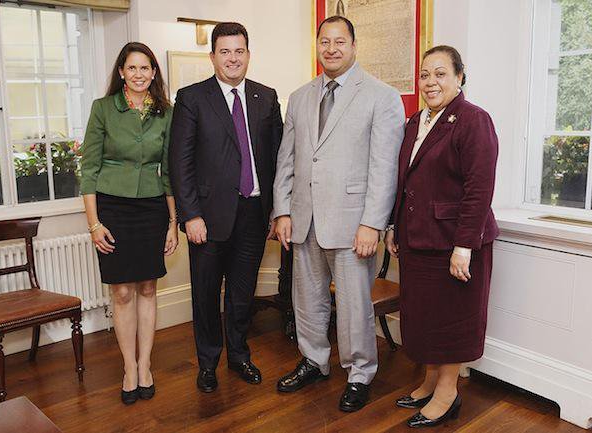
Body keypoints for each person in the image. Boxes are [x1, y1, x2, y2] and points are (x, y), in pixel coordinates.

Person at [273, 16, 405, 412]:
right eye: (324, 41)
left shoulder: (381, 96)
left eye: (339, 42)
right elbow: (288, 159)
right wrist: (281, 210)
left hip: (353, 224)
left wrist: (372, 223)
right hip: (304, 219)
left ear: (354, 46)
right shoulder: (299, 96)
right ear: (317, 45)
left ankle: (360, 372)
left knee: (353, 307)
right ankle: (314, 360)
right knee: (307, 300)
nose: (331, 49)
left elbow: (385, 167)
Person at [384, 45, 499, 428]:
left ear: (459, 77)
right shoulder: (415, 122)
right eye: (424, 74)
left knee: (451, 320)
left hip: (455, 243)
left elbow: (479, 190)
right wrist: (394, 227)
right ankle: (431, 380)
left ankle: (448, 392)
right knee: (424, 317)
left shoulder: (473, 120)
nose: (430, 82)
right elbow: (405, 183)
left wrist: (464, 246)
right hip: (417, 240)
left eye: (440, 74)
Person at [169, 22, 283, 393]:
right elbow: (180, 162)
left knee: (241, 294)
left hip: (254, 214)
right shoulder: (192, 98)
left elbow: (279, 159)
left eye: (239, 51)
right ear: (213, 56)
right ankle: (207, 363)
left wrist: (277, 210)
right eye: (225, 51)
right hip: (208, 217)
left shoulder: (266, 97)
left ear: (248, 54)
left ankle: (239, 355)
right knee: (205, 295)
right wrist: (190, 215)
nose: (233, 58)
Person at [80, 42, 178, 405]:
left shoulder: (166, 113)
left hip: (152, 208)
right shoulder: (103, 109)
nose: (139, 74)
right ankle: (129, 368)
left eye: (146, 68)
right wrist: (94, 224)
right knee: (121, 292)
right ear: (121, 72)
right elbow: (88, 170)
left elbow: (169, 171)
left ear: (154, 73)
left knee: (149, 289)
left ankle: (146, 364)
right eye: (132, 68)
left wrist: (172, 222)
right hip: (113, 210)